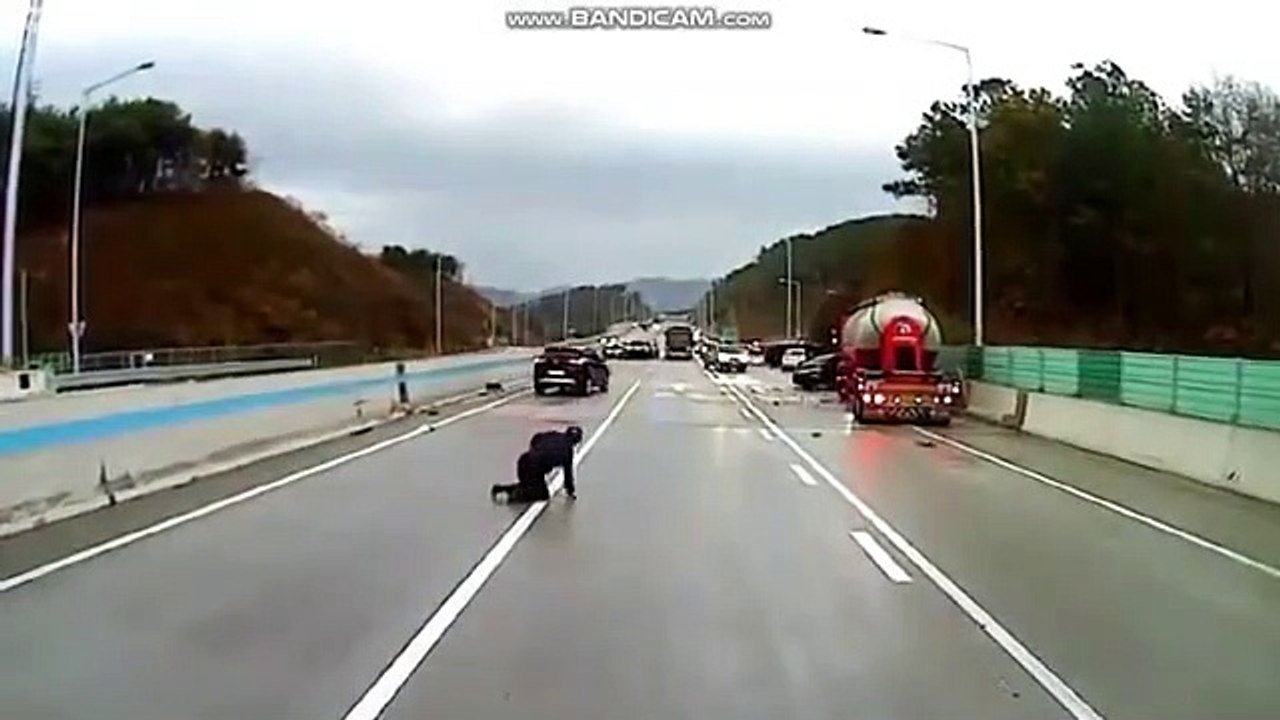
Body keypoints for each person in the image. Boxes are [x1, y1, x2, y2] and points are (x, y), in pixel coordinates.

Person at [491, 425, 584, 503]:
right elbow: (568, 474)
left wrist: (534, 451)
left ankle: (502, 489)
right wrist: (570, 491)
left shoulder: (553, 434)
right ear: (577, 441)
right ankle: (511, 498)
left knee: (528, 484)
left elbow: (536, 437)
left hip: (524, 459)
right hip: (535, 468)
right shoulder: (568, 451)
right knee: (542, 495)